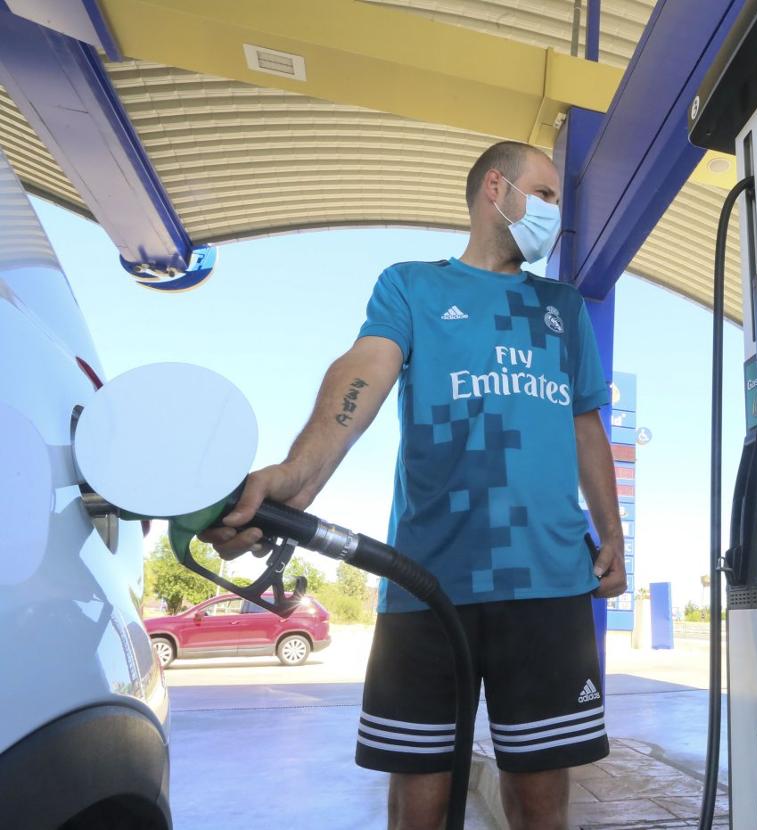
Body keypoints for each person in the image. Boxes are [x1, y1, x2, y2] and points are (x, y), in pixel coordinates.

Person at [202, 140, 626, 830]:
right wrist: (296, 477)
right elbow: (362, 372)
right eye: (546, 195)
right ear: (498, 189)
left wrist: (612, 534)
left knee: (541, 801)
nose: (555, 214)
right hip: (426, 579)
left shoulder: (562, 307)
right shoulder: (413, 287)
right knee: (420, 804)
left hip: (548, 579)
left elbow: (585, 425)